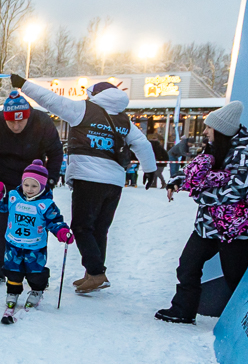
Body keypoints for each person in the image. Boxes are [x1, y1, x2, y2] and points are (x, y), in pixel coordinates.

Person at [12, 74, 157, 293]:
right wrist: (150, 169)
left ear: (96, 95)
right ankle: (94, 274)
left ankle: (96, 273)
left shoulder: (83, 110)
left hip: (88, 178)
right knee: (100, 228)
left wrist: (23, 85)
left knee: (81, 227)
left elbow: (50, 100)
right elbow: (142, 144)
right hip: (114, 182)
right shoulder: (124, 120)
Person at [157, 101, 248, 324]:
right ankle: (182, 310)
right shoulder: (213, 148)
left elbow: (238, 189)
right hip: (207, 226)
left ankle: (240, 324)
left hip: (234, 230)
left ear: (222, 130)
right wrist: (177, 181)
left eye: (209, 127)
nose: (205, 131)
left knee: (235, 277)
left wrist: (201, 196)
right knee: (188, 265)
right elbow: (194, 172)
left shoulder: (243, 152)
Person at [0, 90, 63, 285]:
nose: (16, 126)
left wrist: (50, 181)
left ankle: (35, 271)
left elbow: (56, 153)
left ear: (28, 116)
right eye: (11, 122)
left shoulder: (42, 122)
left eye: (21, 122)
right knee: (2, 224)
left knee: (36, 224)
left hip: (35, 181)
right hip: (5, 179)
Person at [0, 160, 73, 324]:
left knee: (35, 271)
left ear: (42, 186)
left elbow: (55, 221)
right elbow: (0, 208)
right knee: (12, 270)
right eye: (26, 185)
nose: (29, 189)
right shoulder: (14, 197)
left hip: (35, 247)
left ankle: (37, 290)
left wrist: (62, 231)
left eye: (34, 186)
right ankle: (13, 292)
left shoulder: (46, 204)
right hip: (13, 244)